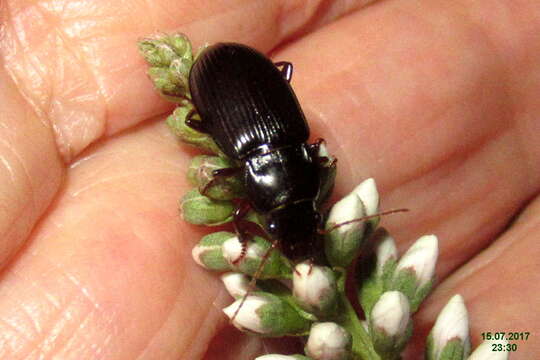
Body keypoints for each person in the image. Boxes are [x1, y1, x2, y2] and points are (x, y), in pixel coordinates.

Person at [0, 0, 538, 358]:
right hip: (236, 89)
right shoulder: (292, 158)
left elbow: (289, 177)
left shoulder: (281, 166)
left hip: (235, 99)